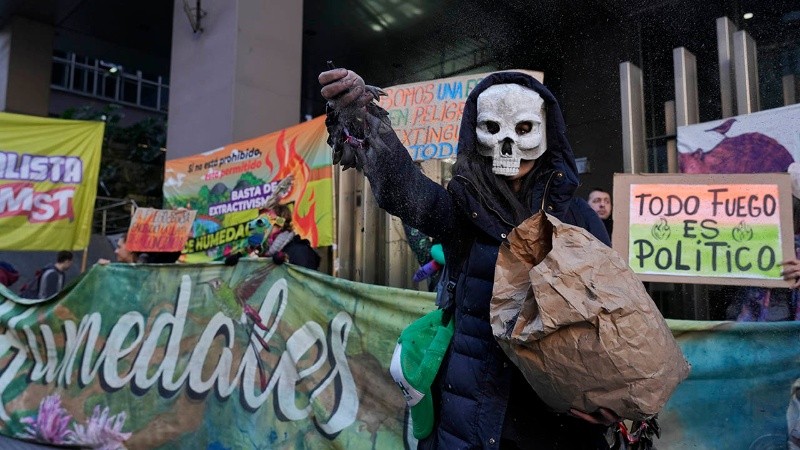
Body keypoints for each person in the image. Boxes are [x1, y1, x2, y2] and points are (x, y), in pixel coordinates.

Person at [320, 68, 614, 449]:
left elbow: (614, 310)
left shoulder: (578, 218)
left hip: (558, 426)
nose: (508, 146)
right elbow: (407, 191)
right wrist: (364, 122)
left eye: (524, 129)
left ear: (547, 133)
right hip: (474, 416)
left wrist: (613, 392)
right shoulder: (464, 211)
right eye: (493, 128)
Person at [263, 204, 321, 270]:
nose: (264, 228)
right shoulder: (263, 252)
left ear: (280, 226)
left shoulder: (300, 251)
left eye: (268, 223)